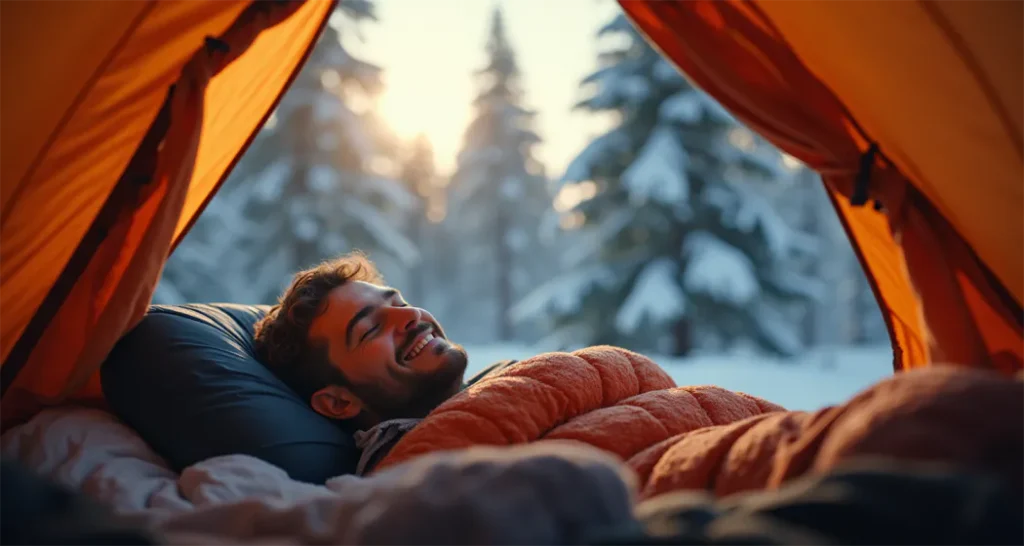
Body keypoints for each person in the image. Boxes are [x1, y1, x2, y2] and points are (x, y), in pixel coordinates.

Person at [253, 252, 507, 432]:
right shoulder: (419, 474)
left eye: (400, 303)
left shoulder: (500, 380)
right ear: (339, 402)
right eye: (372, 329)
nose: (411, 315)